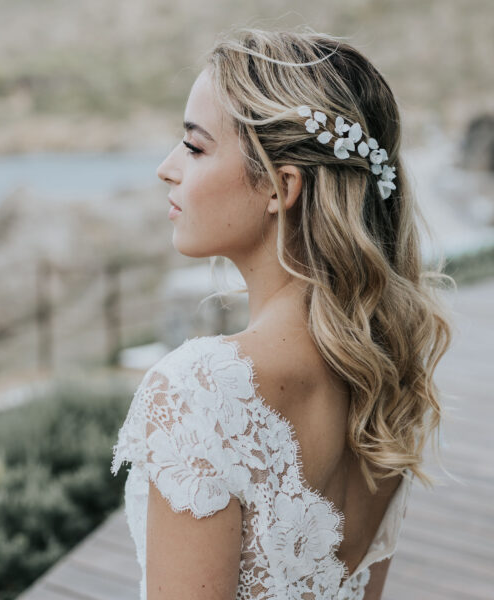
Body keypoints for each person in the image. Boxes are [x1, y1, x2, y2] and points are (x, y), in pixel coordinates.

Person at [111, 27, 454, 600]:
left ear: (280, 186)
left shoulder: (199, 390)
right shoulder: (384, 374)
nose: (167, 168)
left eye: (195, 147)